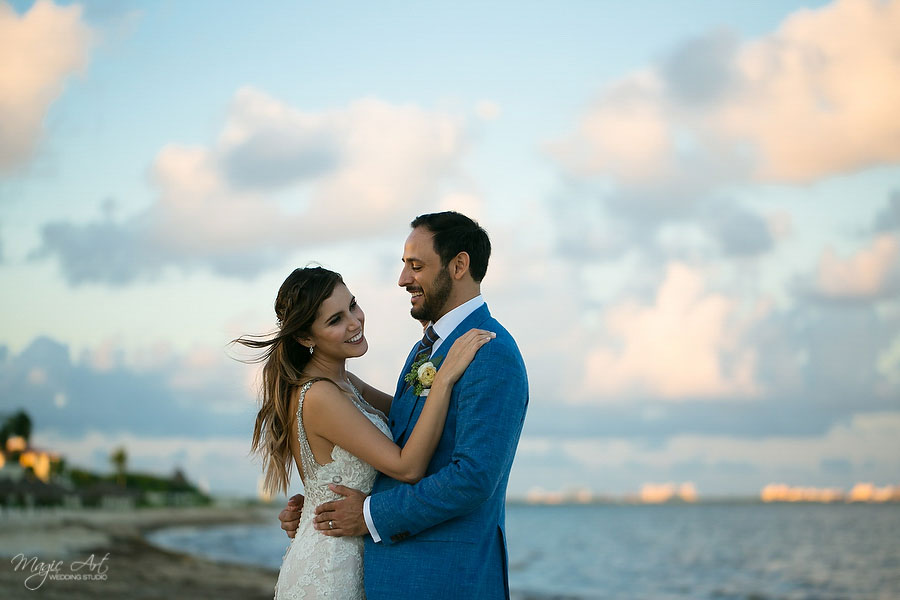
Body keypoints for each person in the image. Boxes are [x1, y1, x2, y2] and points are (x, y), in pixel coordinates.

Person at [278, 212, 529, 599]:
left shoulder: (490, 352)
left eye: (416, 266)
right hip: (388, 576)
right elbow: (392, 434)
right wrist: (317, 501)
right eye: (404, 264)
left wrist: (368, 514)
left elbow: (473, 478)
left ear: (458, 266)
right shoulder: (425, 351)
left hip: (446, 580)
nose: (402, 279)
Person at [234, 265, 495, 599]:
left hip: (354, 560)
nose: (354, 322)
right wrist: (443, 378)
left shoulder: (345, 384)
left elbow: (408, 419)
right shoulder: (320, 395)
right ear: (305, 338)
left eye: (352, 305)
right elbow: (407, 467)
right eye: (335, 320)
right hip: (330, 573)